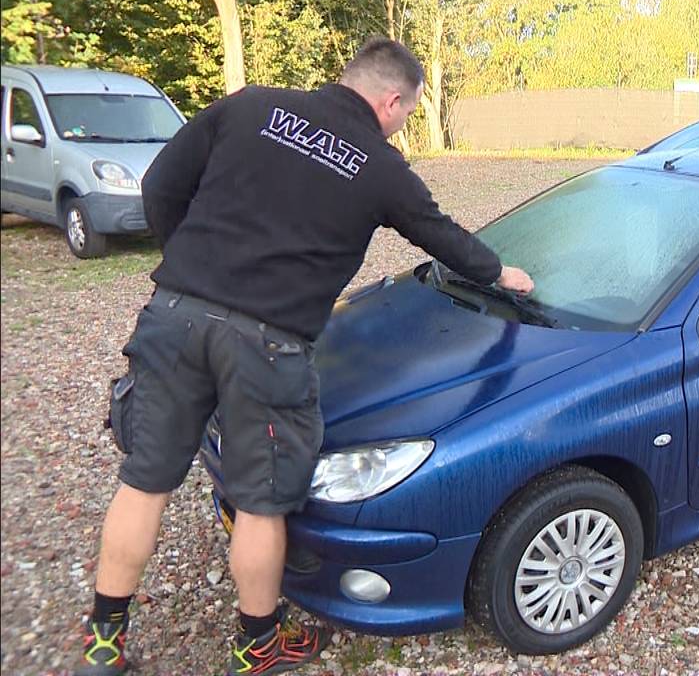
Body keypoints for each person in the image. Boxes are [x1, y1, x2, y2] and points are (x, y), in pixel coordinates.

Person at [75, 37, 533, 675]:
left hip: (175, 316)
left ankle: (104, 641)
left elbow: (161, 184)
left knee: (145, 480)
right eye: (406, 113)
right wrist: (500, 273)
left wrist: (189, 267)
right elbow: (441, 235)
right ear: (391, 100)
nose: (402, 124)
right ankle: (257, 646)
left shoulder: (250, 106)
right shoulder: (379, 166)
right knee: (261, 502)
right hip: (268, 346)